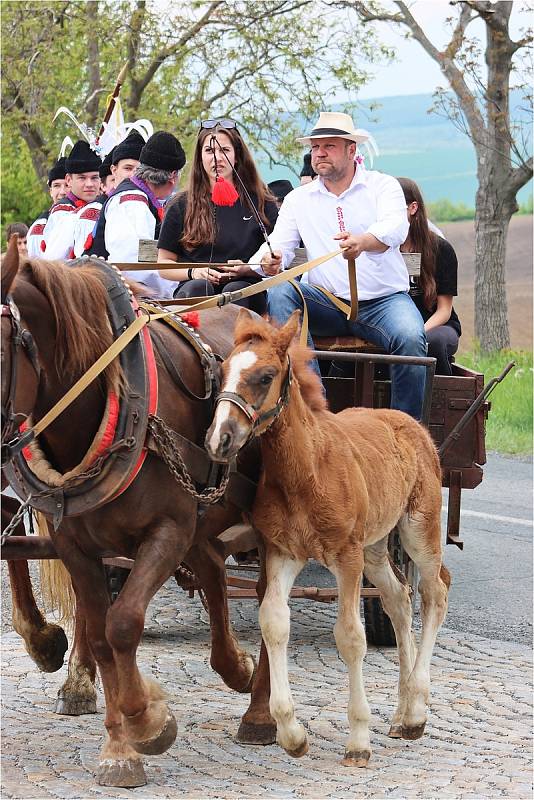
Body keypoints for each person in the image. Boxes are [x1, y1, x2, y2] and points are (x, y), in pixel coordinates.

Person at [252, 111, 427, 421]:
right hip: (327, 303)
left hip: (383, 303)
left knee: (411, 339)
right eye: (315, 147)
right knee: (280, 289)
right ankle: (313, 413)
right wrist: (269, 260)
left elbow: (395, 228)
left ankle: (406, 433)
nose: (319, 153)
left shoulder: (382, 186)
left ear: (351, 150)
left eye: (329, 146)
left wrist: (363, 241)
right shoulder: (299, 199)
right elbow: (280, 244)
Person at [157, 119, 278, 314]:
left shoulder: (261, 201)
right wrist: (193, 272)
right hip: (196, 285)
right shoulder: (181, 204)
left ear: (237, 156)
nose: (217, 158)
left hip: (245, 287)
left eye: (224, 150)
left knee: (234, 292)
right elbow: (164, 264)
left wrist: (249, 267)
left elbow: (276, 254)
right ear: (200, 158)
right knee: (198, 288)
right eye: (210, 151)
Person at [101, 130, 185, 297]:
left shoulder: (139, 198)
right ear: (173, 176)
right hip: (116, 296)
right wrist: (176, 291)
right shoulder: (133, 201)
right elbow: (138, 263)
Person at [398, 177, 461, 376]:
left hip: (436, 323)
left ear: (412, 208)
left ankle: (438, 400)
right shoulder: (380, 249)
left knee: (433, 343)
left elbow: (444, 310)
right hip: (393, 324)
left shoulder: (440, 249)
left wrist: (415, 334)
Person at [41, 141, 101, 259]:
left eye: (94, 178)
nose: (89, 184)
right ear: (69, 180)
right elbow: (54, 260)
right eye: (82, 178)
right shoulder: (63, 211)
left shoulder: (102, 205)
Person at [26, 157, 67, 257]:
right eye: (57, 186)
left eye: (67, 185)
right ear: (51, 191)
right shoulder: (39, 227)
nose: (62, 192)